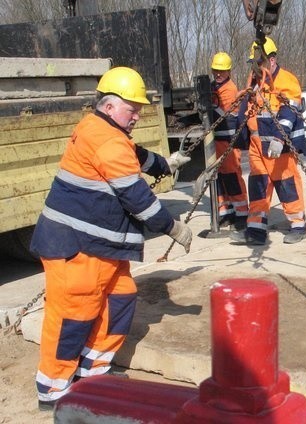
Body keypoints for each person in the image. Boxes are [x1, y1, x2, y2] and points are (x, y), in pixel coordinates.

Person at [29, 66, 192, 410]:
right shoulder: (105, 140)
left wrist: (166, 163)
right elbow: (138, 199)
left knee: (120, 299)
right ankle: (54, 390)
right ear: (109, 106)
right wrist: (173, 228)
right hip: (74, 246)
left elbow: (134, 154)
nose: (137, 117)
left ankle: (94, 372)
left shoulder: (104, 130)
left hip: (98, 246)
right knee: (74, 313)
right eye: (132, 110)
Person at [231, 36, 306, 245]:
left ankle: (298, 225)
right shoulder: (254, 83)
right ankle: (255, 231)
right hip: (257, 146)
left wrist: (279, 138)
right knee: (258, 187)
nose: (255, 68)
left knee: (287, 185)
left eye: (259, 63)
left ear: (271, 60)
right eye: (253, 64)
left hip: (278, 147)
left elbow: (289, 112)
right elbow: (247, 112)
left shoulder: (286, 81)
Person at [210, 51, 249, 230]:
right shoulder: (214, 87)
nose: (218, 74)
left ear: (228, 71)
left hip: (229, 142)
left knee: (232, 177)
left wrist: (203, 111)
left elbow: (221, 114)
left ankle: (241, 214)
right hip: (216, 141)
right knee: (219, 179)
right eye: (215, 70)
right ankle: (226, 212)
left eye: (222, 71)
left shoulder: (229, 89)